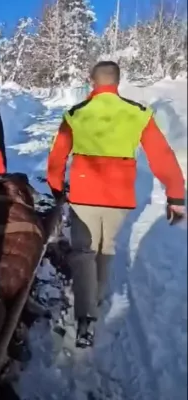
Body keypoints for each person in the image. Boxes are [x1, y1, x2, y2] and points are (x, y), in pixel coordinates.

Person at [47, 60, 186, 348]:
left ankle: (86, 317)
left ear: (92, 81)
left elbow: (57, 157)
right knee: (105, 248)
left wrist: (57, 188)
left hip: (84, 196)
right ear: (118, 82)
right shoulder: (138, 114)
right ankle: (95, 298)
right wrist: (175, 194)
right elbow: (162, 156)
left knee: (83, 251)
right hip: (119, 199)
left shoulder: (76, 114)